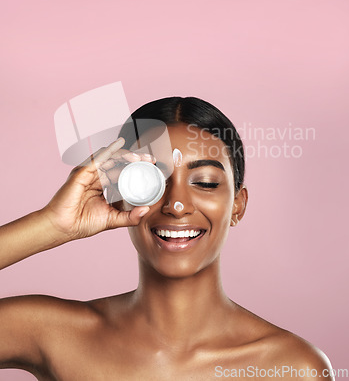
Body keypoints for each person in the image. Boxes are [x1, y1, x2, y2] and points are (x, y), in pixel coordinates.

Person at [0, 96, 333, 380]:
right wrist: (53, 224)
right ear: (119, 195)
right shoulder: (55, 333)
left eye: (204, 182)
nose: (176, 205)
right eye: (151, 180)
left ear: (238, 206)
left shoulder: (292, 367)